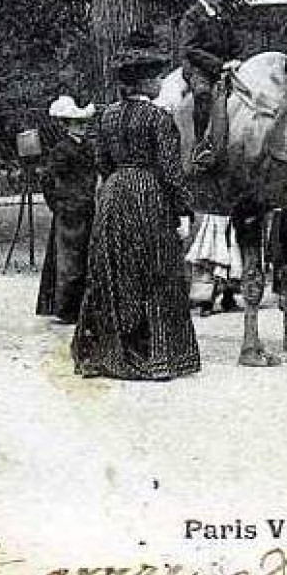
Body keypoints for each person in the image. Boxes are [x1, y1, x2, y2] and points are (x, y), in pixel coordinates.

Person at [72, 31, 201, 381]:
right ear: (146, 81)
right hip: (148, 194)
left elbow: (101, 161)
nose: (161, 82)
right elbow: (172, 172)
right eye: (158, 77)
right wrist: (183, 211)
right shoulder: (159, 119)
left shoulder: (106, 116)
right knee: (155, 271)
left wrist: (119, 181)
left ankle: (103, 353)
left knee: (112, 270)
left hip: (114, 195)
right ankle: (157, 356)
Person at [36, 96, 98, 325]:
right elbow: (47, 180)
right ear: (66, 124)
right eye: (76, 122)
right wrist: (58, 204)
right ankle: (66, 308)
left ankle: (85, 306)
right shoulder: (61, 150)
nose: (82, 126)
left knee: (86, 256)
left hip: (88, 207)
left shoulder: (90, 147)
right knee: (68, 260)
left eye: (83, 122)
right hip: (69, 211)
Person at [176, 0, 243, 170]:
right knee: (203, 93)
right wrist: (220, 65)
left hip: (223, 66)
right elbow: (190, 49)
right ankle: (200, 143)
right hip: (198, 67)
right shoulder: (192, 16)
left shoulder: (222, 15)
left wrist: (237, 59)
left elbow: (234, 44)